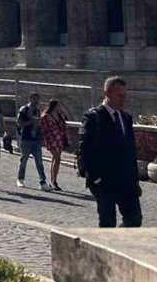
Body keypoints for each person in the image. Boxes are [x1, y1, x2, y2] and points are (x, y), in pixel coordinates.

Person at [77, 76, 143, 228]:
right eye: (119, 95)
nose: (123, 99)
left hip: (126, 179)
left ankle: (122, 245)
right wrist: (94, 177)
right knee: (108, 222)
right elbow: (84, 149)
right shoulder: (94, 117)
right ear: (107, 93)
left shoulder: (125, 118)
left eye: (124, 95)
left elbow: (130, 150)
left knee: (134, 219)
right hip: (104, 180)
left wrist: (135, 181)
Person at [16, 91, 49, 190]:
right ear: (30, 99)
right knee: (23, 160)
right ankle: (20, 179)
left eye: (37, 99)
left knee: (39, 161)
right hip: (26, 139)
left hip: (36, 139)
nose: (36, 101)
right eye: (34, 98)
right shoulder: (24, 110)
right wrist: (31, 122)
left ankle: (42, 182)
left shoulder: (38, 110)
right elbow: (19, 123)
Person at [41, 98, 70, 191]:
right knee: (57, 158)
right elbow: (43, 128)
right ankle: (54, 181)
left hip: (59, 139)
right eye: (58, 105)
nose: (60, 107)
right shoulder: (46, 116)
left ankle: (53, 179)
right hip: (51, 139)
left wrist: (67, 138)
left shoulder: (60, 116)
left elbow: (64, 127)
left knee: (55, 160)